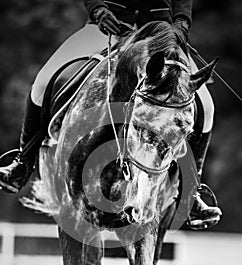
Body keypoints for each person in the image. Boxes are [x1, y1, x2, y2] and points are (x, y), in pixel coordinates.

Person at [0, 0, 222, 229]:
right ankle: (22, 164)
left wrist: (181, 21)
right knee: (43, 83)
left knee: (206, 106)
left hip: (160, 35)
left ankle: (192, 195)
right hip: (108, 27)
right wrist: (98, 9)